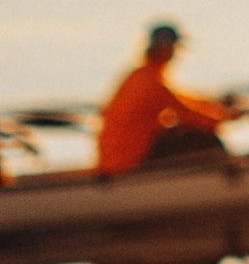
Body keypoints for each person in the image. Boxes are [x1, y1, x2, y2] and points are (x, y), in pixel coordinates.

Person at [96, 25, 238, 177]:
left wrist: (216, 105)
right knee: (204, 138)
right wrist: (226, 117)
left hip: (118, 159)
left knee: (182, 133)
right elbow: (188, 113)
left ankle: (221, 173)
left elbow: (185, 98)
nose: (175, 53)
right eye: (173, 48)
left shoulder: (144, 75)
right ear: (163, 48)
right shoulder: (151, 82)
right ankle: (229, 177)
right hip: (127, 164)